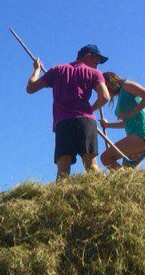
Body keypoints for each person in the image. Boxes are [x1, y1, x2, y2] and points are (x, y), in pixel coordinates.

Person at [26, 43, 111, 180]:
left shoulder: (57, 70)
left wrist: (37, 70)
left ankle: (59, 201)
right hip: (85, 122)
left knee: (62, 174)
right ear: (88, 56)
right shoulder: (94, 73)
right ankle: (111, 188)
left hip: (63, 124)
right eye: (97, 60)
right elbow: (105, 97)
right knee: (92, 167)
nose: (98, 65)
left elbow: (31, 88)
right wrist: (90, 109)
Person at [99, 71, 145, 170]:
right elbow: (125, 123)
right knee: (127, 171)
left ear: (108, 84)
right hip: (139, 136)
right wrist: (108, 125)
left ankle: (122, 179)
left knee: (106, 158)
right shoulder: (121, 95)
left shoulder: (126, 85)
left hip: (142, 133)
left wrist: (130, 113)